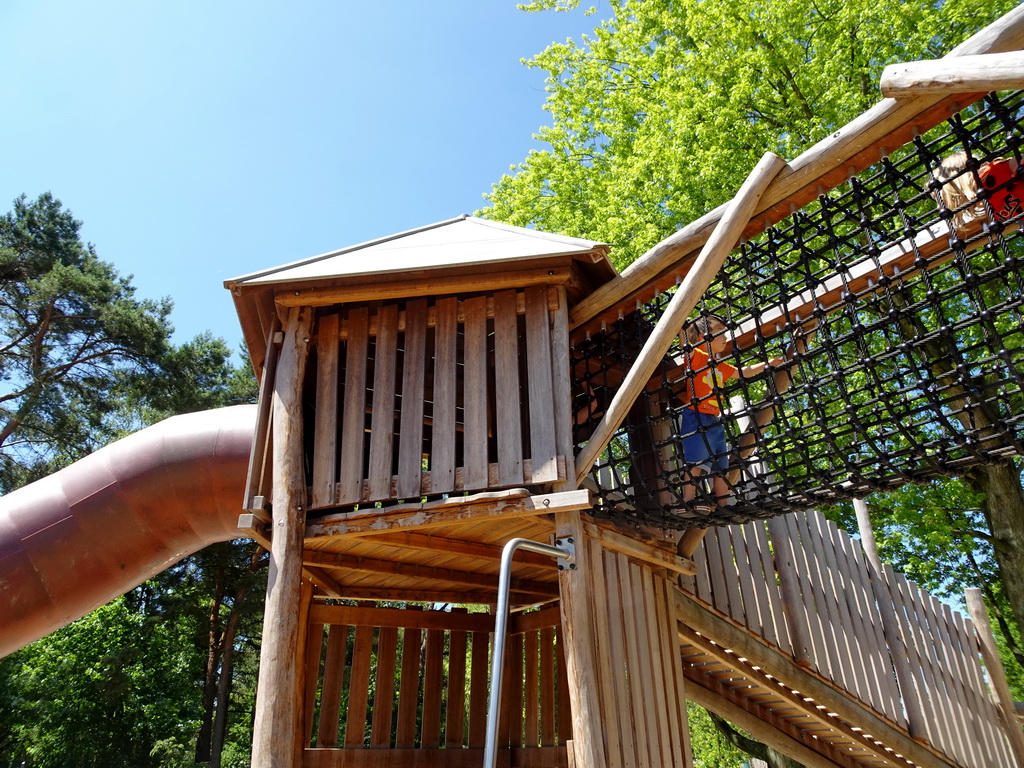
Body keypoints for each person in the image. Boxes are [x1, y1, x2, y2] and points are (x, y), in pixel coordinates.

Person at [670, 314, 783, 508]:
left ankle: (723, 505)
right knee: (695, 461)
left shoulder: (719, 364)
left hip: (715, 419)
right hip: (696, 415)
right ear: (704, 335)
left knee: (720, 465)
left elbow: (743, 371)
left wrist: (768, 363)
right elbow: (685, 348)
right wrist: (682, 327)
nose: (726, 337)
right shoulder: (697, 356)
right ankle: (687, 500)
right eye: (721, 332)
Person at [933, 151, 1021, 234]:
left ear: (953, 185)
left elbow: (1017, 164)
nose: (938, 207)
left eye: (938, 197)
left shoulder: (986, 178)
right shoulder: (982, 204)